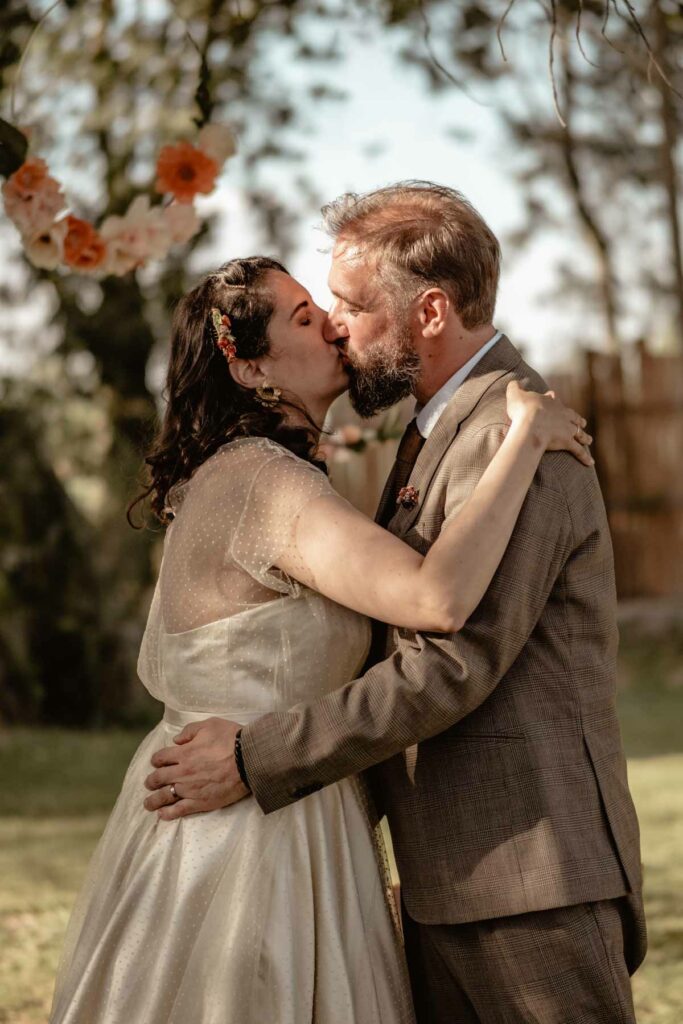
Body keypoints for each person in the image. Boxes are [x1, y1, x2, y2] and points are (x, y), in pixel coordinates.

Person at [145, 184, 647, 1024]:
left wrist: (255, 757)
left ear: (430, 311)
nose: (335, 325)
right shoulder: (431, 429)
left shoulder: (513, 435)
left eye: (348, 304)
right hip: (444, 878)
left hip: (529, 878)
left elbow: (449, 667)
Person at [50, 249, 590, 1024]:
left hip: (274, 804)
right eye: (307, 317)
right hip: (250, 843)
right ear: (249, 368)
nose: (336, 328)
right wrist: (523, 440)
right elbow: (434, 598)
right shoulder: (263, 482)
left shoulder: (244, 475)